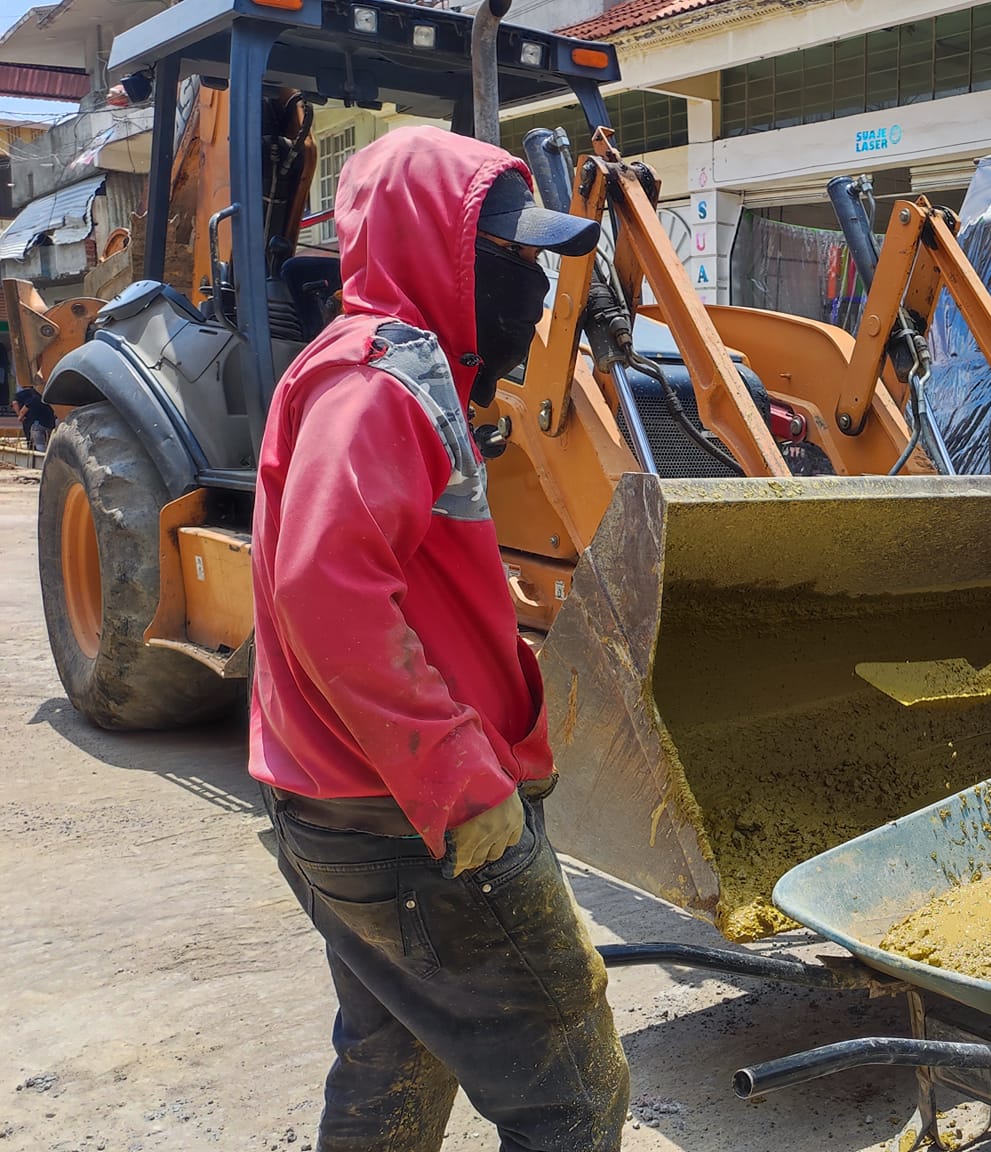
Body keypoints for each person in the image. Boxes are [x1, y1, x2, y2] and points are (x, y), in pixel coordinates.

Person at [248, 126, 628, 1151]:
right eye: (509, 258)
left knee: (396, 1053)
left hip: (343, 808)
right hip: (409, 820)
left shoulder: (401, 375)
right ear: (433, 248)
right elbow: (327, 588)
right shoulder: (376, 384)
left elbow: (388, 567)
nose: (536, 288)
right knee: (573, 1088)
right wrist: (460, 778)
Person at [15, 386, 55, 452]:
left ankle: (40, 453)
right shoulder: (48, 399)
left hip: (37, 424)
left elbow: (23, 411)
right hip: (49, 424)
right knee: (49, 441)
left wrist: (20, 417)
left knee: (39, 443)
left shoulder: (33, 400)